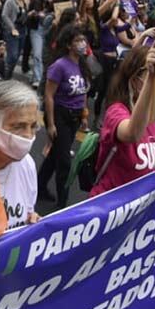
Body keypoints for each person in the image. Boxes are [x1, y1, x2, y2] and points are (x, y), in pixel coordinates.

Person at [92, 42, 155, 309]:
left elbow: (151, 161)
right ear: (135, 79)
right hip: (111, 213)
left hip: (141, 212)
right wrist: (150, 75)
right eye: (149, 77)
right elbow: (132, 132)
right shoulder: (116, 113)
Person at [36, 26, 91, 208]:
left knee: (55, 156)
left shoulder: (81, 65)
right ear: (68, 45)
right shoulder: (59, 66)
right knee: (64, 163)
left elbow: (83, 93)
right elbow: (49, 95)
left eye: (83, 40)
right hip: (60, 116)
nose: (82, 44)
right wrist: (50, 124)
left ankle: (39, 186)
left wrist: (84, 114)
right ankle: (62, 203)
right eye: (77, 41)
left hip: (75, 117)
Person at [0, 80, 41, 229]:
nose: (28, 135)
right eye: (18, 126)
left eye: (33, 126)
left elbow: (28, 212)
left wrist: (32, 221)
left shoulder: (27, 165)